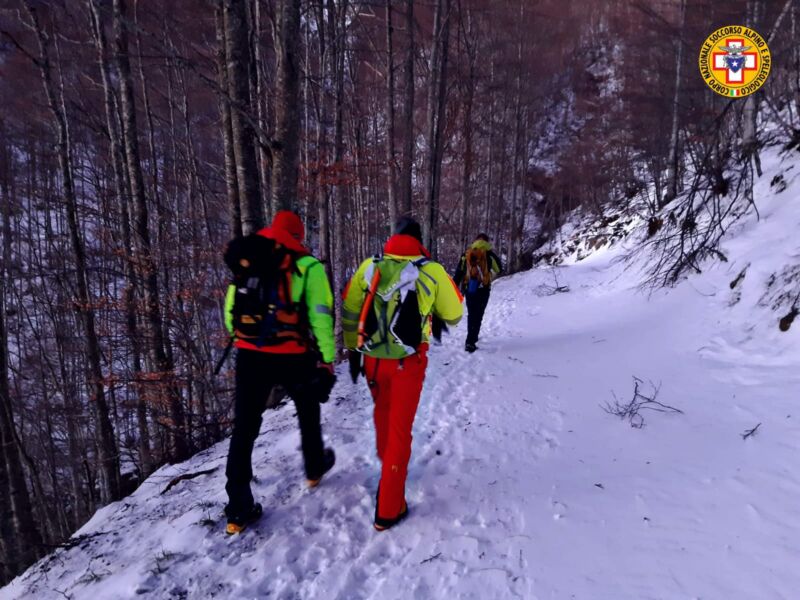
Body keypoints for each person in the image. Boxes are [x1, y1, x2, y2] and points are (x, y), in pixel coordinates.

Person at [343, 217, 463, 531]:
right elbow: (454, 314)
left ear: (393, 237)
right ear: (419, 240)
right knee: (400, 430)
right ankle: (389, 508)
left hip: (372, 359)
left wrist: (352, 348)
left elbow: (350, 308)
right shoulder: (431, 270)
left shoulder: (370, 265)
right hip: (407, 363)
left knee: (382, 413)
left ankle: (388, 468)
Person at [222, 211, 337, 535]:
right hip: (293, 354)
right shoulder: (308, 267)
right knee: (307, 411)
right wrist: (326, 359)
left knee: (244, 428)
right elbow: (321, 317)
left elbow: (230, 314)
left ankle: (237, 510)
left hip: (249, 356)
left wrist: (251, 341)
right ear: (298, 236)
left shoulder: (249, 260)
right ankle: (314, 469)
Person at [454, 234, 503, 353]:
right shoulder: (490, 254)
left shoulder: (466, 254)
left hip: (469, 289)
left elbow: (459, 272)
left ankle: (470, 340)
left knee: (471, 315)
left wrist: (454, 288)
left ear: (475, 241)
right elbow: (499, 269)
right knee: (479, 315)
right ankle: (472, 340)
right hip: (483, 290)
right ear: (487, 241)